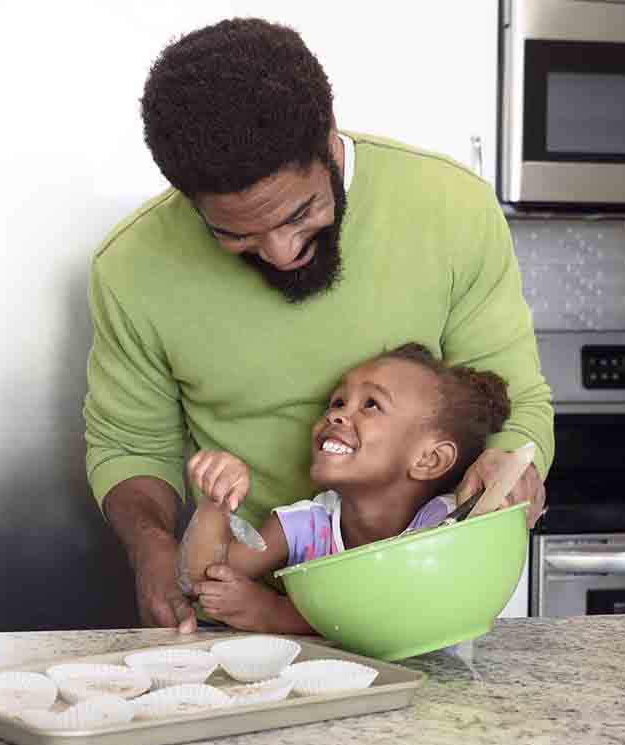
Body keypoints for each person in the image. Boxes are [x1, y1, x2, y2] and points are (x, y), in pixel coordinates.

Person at [84, 17, 554, 634]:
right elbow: (130, 448)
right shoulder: (132, 267)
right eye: (236, 233)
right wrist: (149, 545)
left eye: (301, 212)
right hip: (239, 618)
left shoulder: (451, 208)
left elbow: (512, 402)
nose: (281, 253)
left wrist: (510, 468)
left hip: (418, 613)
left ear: (329, 140)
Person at [176, 343, 511, 633]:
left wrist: (272, 613)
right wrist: (218, 498)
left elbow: (393, 615)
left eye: (371, 405)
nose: (336, 416)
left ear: (430, 460)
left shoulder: (447, 528)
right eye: (338, 402)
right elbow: (204, 578)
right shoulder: (307, 525)